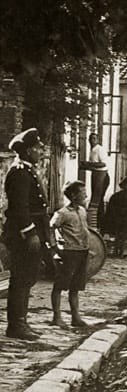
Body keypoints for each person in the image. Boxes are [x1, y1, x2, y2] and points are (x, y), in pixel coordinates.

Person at [2, 128, 53, 341]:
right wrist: (30, 233)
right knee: (22, 278)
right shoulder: (20, 173)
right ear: (28, 150)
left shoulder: (28, 170)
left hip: (35, 229)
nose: (42, 150)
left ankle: (21, 321)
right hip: (24, 233)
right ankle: (16, 325)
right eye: (38, 148)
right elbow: (20, 209)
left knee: (28, 277)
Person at [49, 180, 93, 328]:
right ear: (73, 196)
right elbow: (50, 228)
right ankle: (57, 317)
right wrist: (55, 247)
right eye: (83, 192)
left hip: (82, 252)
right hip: (68, 253)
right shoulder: (62, 213)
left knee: (76, 287)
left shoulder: (82, 210)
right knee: (60, 286)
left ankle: (76, 317)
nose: (86, 195)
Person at [104, 177, 127, 259]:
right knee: (123, 233)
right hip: (118, 220)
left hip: (126, 220)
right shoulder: (117, 196)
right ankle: (119, 251)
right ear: (125, 186)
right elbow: (111, 210)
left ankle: (122, 251)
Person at [79, 132, 110, 223]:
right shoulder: (92, 150)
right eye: (91, 139)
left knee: (97, 200)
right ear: (88, 140)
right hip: (95, 175)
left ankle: (99, 222)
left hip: (102, 176)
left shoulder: (100, 149)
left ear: (97, 140)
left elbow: (103, 164)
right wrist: (85, 166)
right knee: (97, 199)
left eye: (94, 138)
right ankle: (98, 222)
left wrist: (89, 164)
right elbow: (94, 166)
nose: (92, 140)